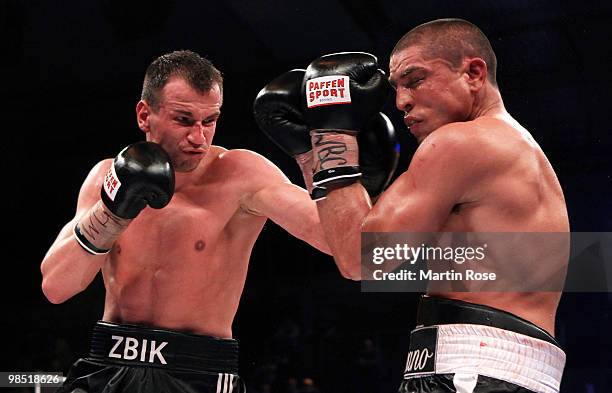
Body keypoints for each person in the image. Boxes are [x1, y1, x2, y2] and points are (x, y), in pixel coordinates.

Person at [289, 19, 569, 393]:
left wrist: (330, 133)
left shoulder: (460, 143)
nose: (402, 100)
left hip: (472, 369)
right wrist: (315, 158)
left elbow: (360, 259)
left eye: (415, 80)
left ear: (473, 72)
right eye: (397, 88)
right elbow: (346, 240)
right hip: (500, 370)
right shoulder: (513, 147)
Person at [40, 50, 338, 393]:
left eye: (209, 121)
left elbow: (345, 247)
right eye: (183, 119)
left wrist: (318, 154)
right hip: (108, 365)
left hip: (197, 372)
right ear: (144, 115)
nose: (199, 137)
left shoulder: (241, 175)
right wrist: (112, 212)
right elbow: (56, 287)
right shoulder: (107, 176)